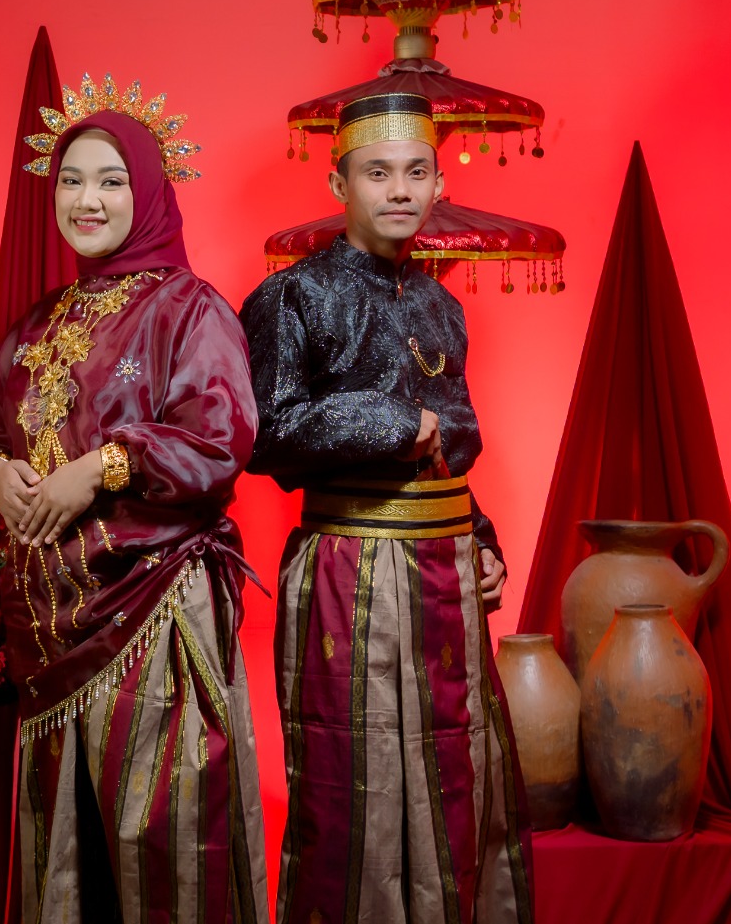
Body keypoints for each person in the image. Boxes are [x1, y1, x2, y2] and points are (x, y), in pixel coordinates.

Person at [0, 75, 268, 923]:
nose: (86, 199)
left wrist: (98, 468)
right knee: (66, 869)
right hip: (46, 632)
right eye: (71, 180)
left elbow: (219, 441)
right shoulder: (34, 325)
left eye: (110, 180)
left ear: (151, 191)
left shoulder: (189, 310)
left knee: (164, 853)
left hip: (153, 614)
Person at [239, 92, 534, 924]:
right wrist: (393, 420)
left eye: (414, 173)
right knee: (353, 787)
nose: (399, 190)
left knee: (459, 775)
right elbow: (264, 434)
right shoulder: (292, 297)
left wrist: (483, 541)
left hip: (444, 573)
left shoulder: (443, 307)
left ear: (440, 183)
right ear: (339, 183)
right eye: (377, 173)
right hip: (349, 570)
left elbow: (452, 452)